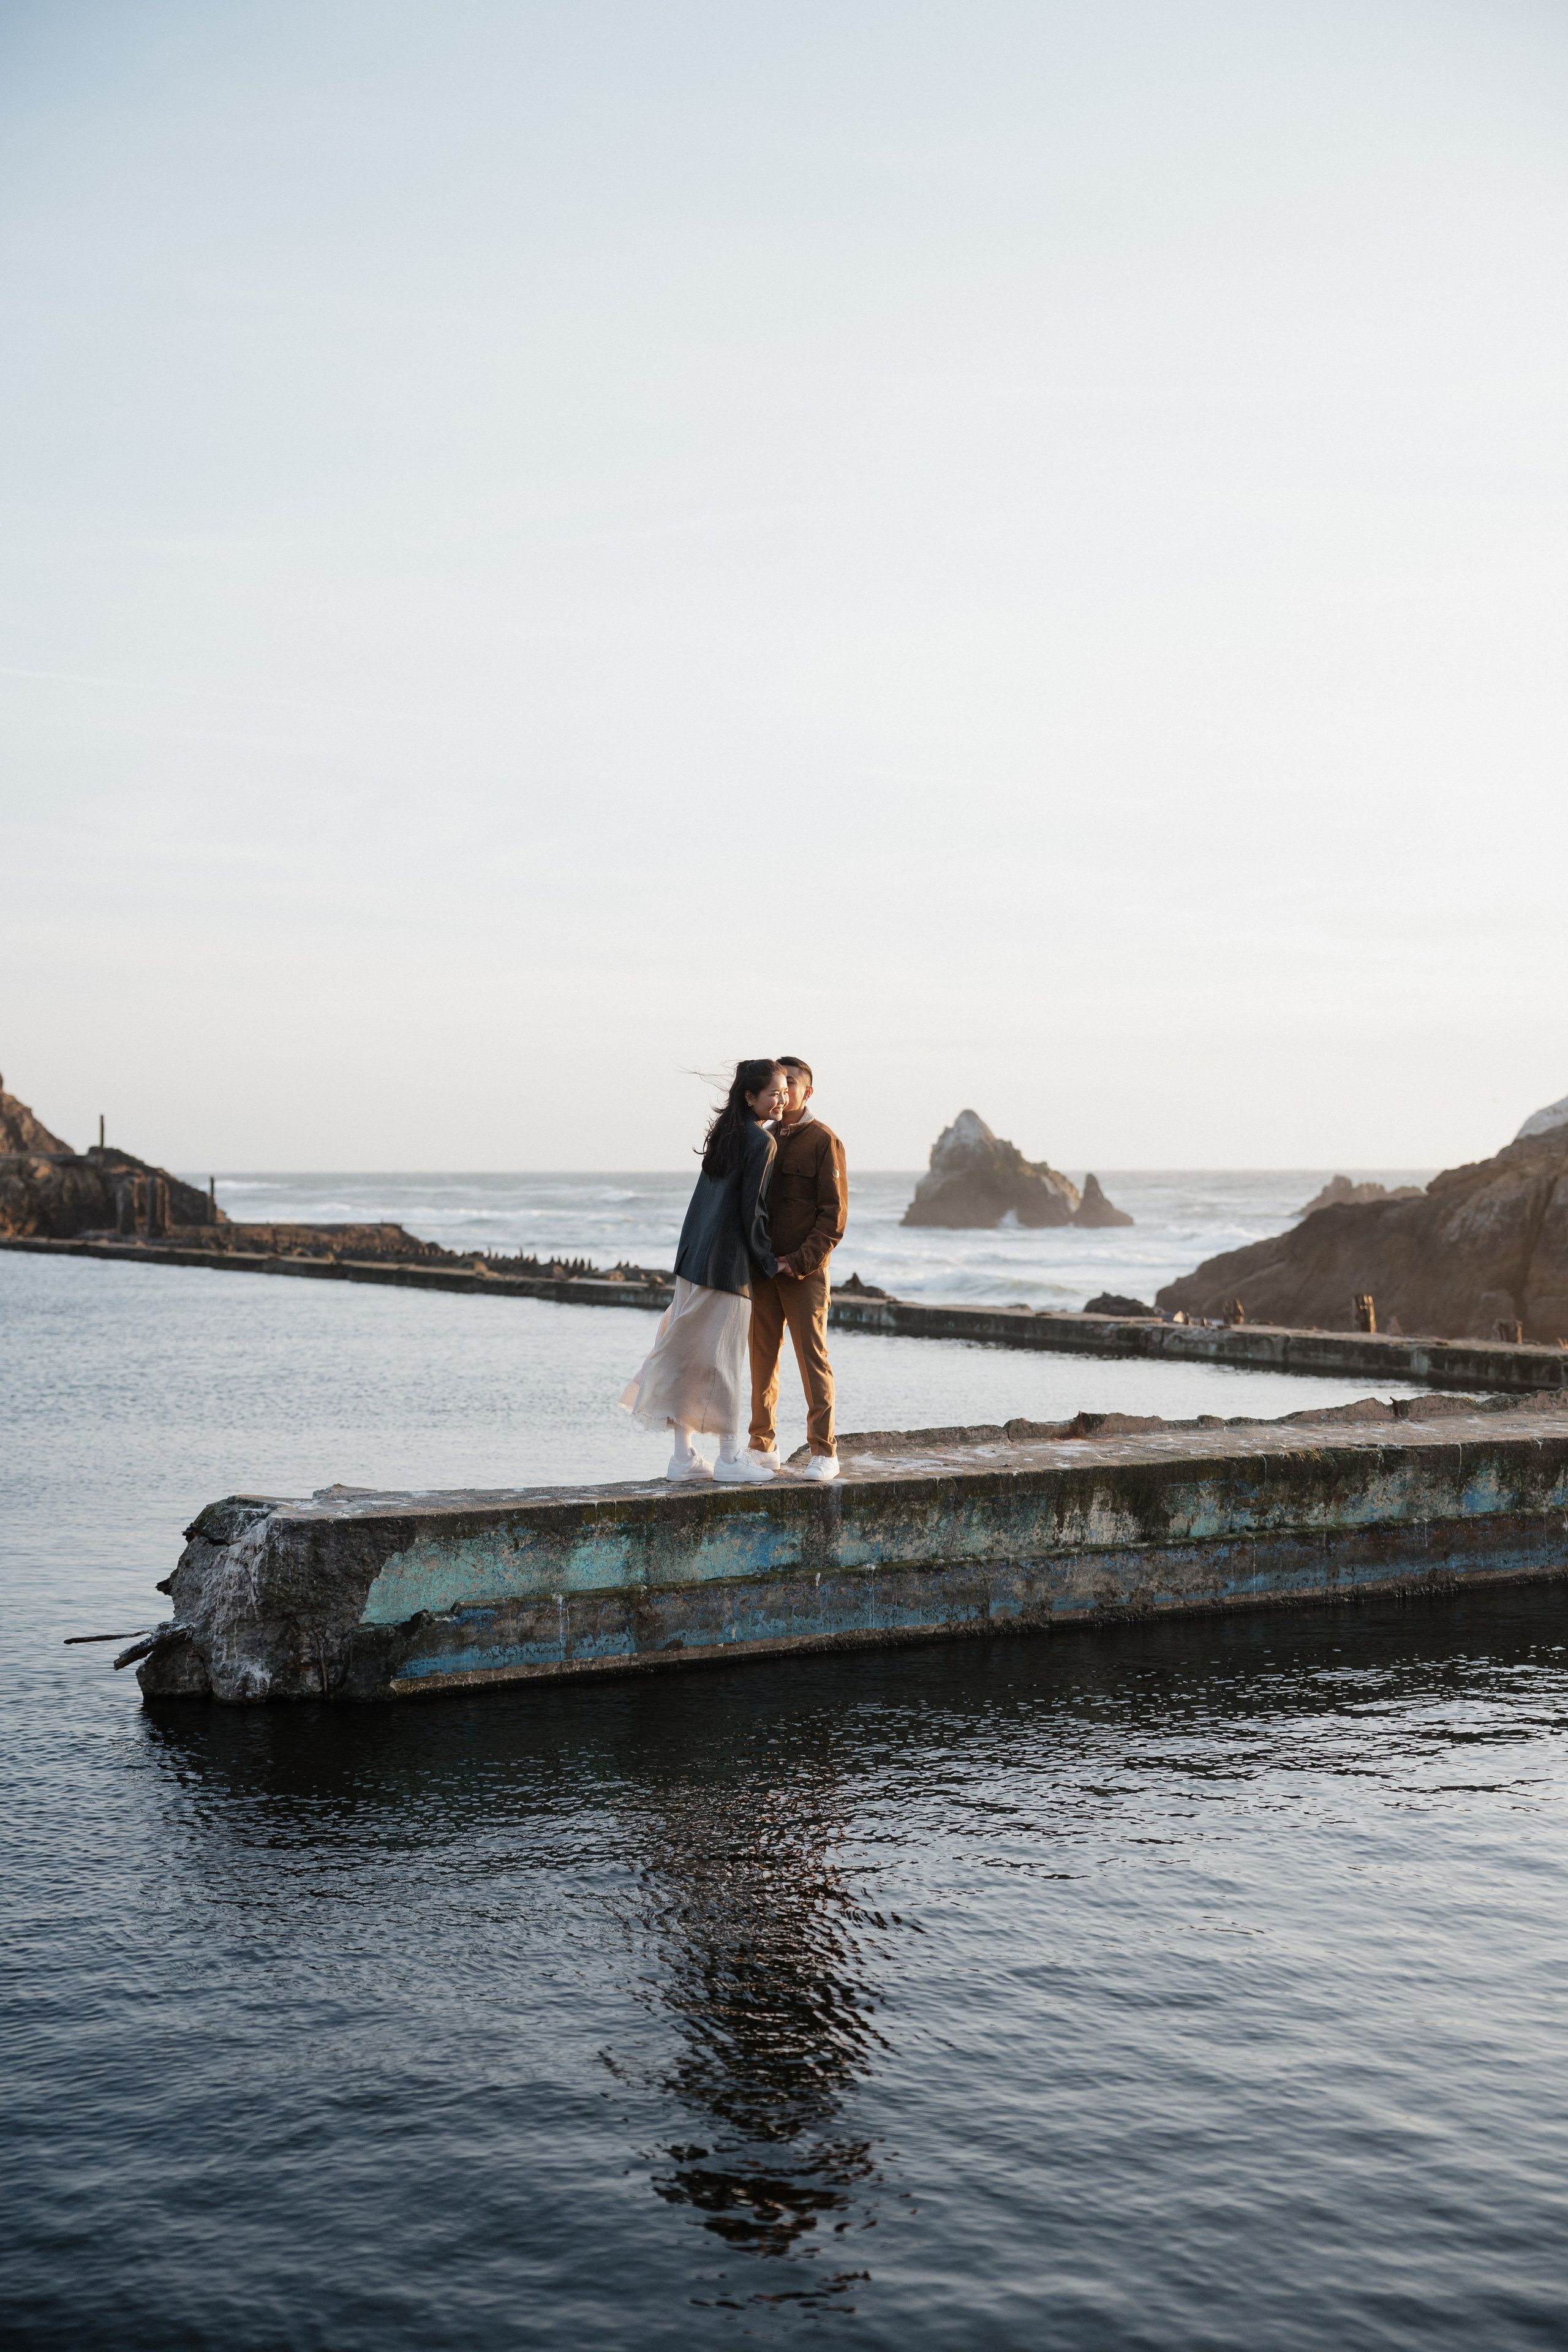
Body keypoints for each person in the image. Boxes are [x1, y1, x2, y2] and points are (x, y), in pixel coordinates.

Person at [620, 1059, 786, 1485]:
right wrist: (768, 1263)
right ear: (751, 1097)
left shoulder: (724, 1135)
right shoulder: (761, 1142)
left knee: (687, 1357)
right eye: (774, 1093)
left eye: (785, 1091)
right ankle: (730, 1458)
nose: (782, 1099)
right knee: (722, 1363)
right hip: (727, 1268)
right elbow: (754, 1214)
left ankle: (684, 1459)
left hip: (693, 1259)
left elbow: (704, 1204)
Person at [746, 1056, 848, 1483]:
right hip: (765, 1271)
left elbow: (834, 1217)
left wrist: (799, 1261)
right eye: (779, 1084)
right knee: (762, 1360)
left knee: (812, 1359)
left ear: (808, 1091)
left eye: (792, 1083)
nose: (784, 1091)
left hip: (804, 1274)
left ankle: (825, 1451)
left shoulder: (825, 1141)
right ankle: (762, 1445)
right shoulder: (764, 1137)